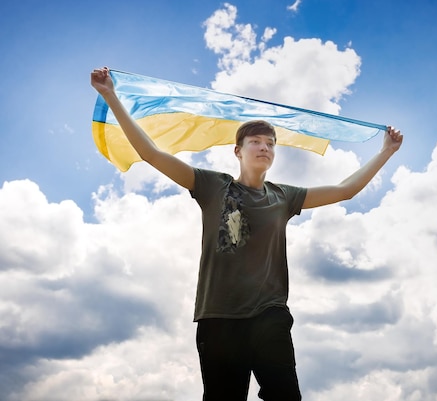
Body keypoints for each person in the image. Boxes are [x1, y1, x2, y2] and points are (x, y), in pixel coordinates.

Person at [90, 66, 403, 401]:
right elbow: (151, 153)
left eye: (270, 143)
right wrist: (110, 95)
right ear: (238, 151)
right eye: (255, 142)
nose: (264, 147)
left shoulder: (284, 197)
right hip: (219, 317)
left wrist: (386, 151)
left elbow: (345, 190)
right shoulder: (212, 186)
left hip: (270, 314)